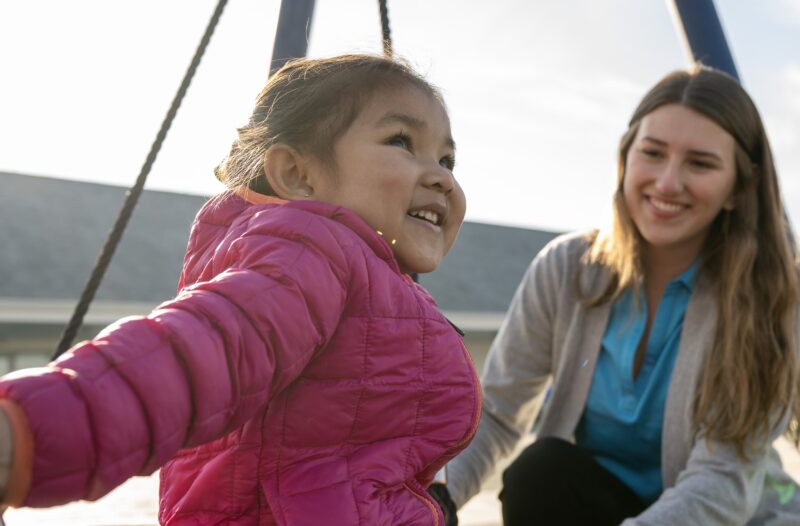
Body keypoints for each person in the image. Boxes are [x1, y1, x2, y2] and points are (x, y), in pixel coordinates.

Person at [0, 54, 480, 525]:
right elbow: (200, 357)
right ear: (297, 174)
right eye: (401, 140)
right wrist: (21, 435)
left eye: (447, 158)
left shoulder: (368, 279)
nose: (441, 177)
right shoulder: (310, 255)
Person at [441, 65, 800, 525]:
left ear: (738, 188)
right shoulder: (566, 268)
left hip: (727, 516)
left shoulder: (764, 298)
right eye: (652, 153)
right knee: (540, 471)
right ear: (626, 159)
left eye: (701, 163)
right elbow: (497, 415)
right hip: (601, 503)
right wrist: (436, 502)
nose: (668, 182)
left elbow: (721, 482)